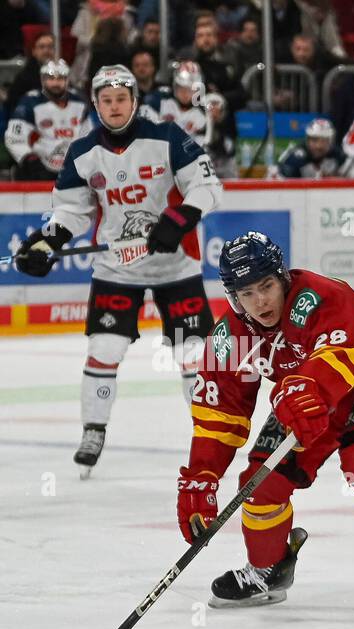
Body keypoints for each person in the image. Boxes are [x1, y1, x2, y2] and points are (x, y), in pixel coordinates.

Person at [177, 232, 354, 618]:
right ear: (234, 297)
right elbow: (220, 417)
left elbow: (340, 355)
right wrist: (201, 476)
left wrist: (307, 387)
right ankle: (268, 569)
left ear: (282, 277)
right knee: (261, 481)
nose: (260, 301)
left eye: (266, 286)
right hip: (311, 398)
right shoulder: (230, 336)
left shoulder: (323, 296)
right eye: (247, 293)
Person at [12, 65, 222, 476]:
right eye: (106, 100)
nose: (114, 106)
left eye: (121, 99)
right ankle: (94, 429)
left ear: (134, 101)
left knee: (193, 355)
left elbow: (208, 186)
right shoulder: (82, 151)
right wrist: (47, 241)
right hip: (117, 270)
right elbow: (71, 211)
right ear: (95, 103)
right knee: (104, 349)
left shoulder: (167, 137)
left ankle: (210, 432)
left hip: (176, 267)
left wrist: (179, 219)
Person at [4, 59, 90, 181]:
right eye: (51, 78)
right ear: (43, 80)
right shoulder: (29, 103)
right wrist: (29, 157)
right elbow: (14, 137)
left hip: (75, 168)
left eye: (60, 78)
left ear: (67, 80)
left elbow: (90, 134)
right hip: (40, 169)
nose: (55, 83)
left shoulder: (80, 102)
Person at [141, 60, 208, 145]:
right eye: (181, 88)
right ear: (174, 86)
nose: (185, 94)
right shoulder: (161, 102)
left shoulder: (201, 115)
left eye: (190, 89)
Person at [275, 117, 349, 178]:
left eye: (324, 141)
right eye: (314, 140)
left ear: (331, 142)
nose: (319, 146)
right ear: (307, 140)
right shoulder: (294, 158)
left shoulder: (338, 154)